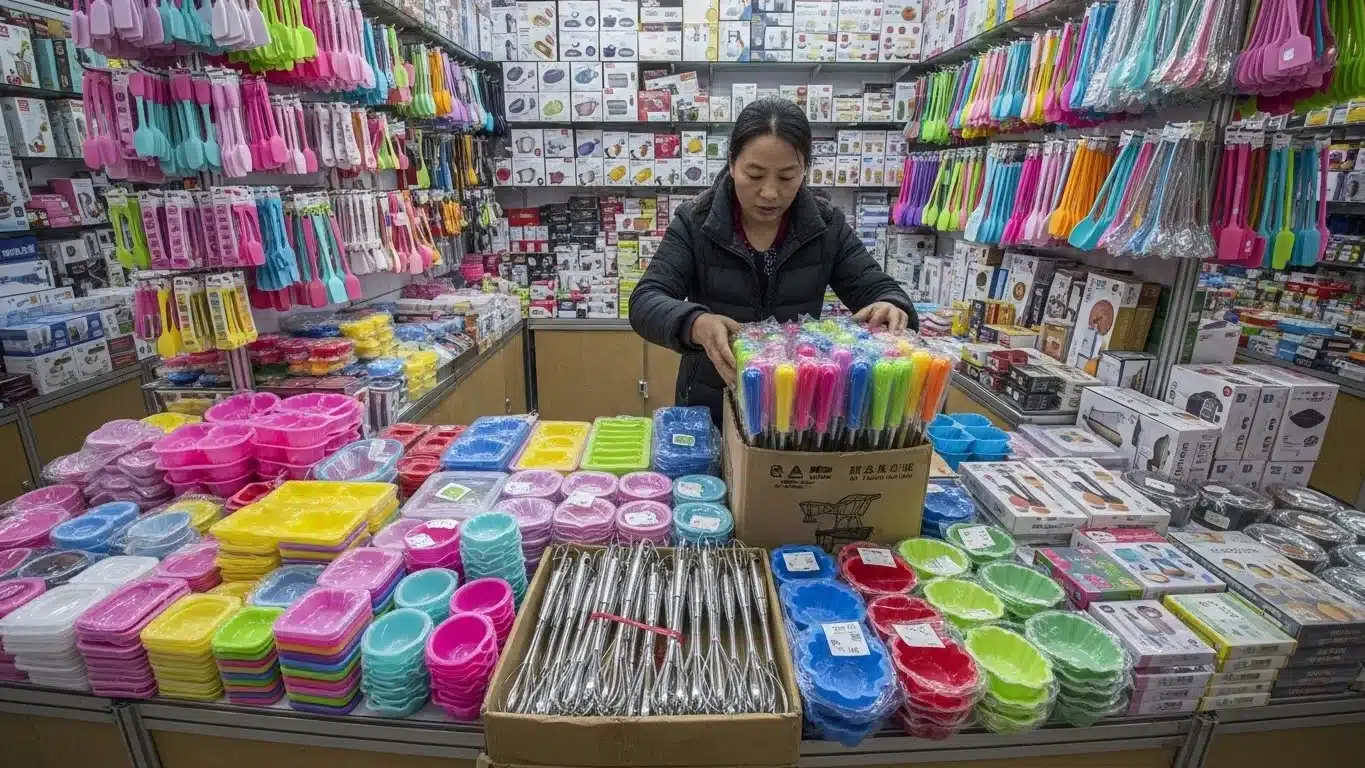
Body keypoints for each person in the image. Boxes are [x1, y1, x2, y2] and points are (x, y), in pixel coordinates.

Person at [628, 98, 917, 426]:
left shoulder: (825, 225)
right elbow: (645, 300)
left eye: (787, 177)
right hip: (711, 403)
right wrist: (695, 323)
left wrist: (891, 306)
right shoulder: (695, 221)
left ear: (805, 169)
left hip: (797, 408)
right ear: (732, 163)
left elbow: (878, 289)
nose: (769, 193)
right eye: (754, 174)